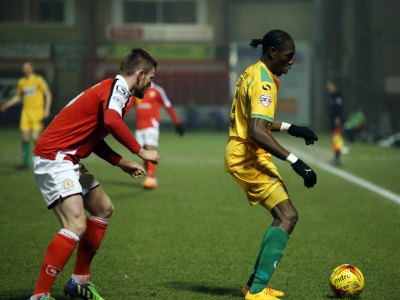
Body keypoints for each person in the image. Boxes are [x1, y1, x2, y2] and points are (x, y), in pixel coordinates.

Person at [29, 48, 160, 300]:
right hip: (54, 156)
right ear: (140, 74)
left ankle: (79, 281)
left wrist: (121, 162)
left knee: (103, 208)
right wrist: (140, 151)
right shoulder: (118, 89)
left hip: (69, 157)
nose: (151, 85)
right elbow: (111, 122)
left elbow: (96, 137)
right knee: (76, 223)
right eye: (151, 79)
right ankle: (39, 295)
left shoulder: (120, 95)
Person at [224, 30, 318, 300]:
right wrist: (296, 161)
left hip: (247, 153)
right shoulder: (264, 82)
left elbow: (258, 121)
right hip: (248, 156)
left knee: (284, 215)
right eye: (288, 57)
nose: (291, 62)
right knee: (288, 216)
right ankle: (256, 290)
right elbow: (257, 131)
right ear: (273, 53)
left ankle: (255, 285)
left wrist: (292, 127)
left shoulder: (252, 71)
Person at [0, 61, 52, 169]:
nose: (26, 70)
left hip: (37, 112)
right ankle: (24, 163)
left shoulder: (38, 80)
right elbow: (18, 96)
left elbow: (48, 94)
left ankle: (43, 160)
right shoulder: (22, 82)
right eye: (24, 68)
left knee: (35, 138)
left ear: (32, 69)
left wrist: (46, 110)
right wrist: (6, 105)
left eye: (28, 68)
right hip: (26, 112)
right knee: (25, 137)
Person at [133, 82, 184, 189]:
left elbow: (168, 105)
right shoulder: (137, 91)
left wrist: (177, 123)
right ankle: (150, 177)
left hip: (152, 125)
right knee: (143, 153)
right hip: (139, 127)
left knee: (150, 148)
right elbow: (128, 105)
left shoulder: (157, 90)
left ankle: (151, 178)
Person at [326, 80, 344, 165]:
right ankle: (336, 157)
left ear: (334, 86)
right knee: (335, 139)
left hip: (337, 120)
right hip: (333, 120)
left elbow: (339, 108)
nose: (328, 88)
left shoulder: (337, 95)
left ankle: (337, 158)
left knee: (337, 138)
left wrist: (338, 118)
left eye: (329, 86)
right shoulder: (332, 95)